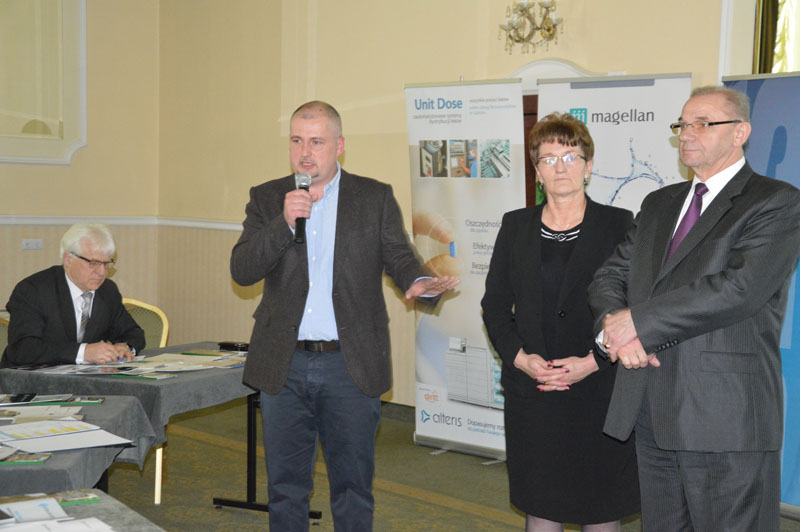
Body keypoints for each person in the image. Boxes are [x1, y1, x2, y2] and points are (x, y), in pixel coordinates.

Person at [229, 101, 459, 532]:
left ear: (339, 146)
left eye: (316, 142)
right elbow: (242, 270)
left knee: (353, 490)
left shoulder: (373, 197)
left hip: (349, 365)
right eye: (297, 140)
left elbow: (399, 255)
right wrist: (283, 222)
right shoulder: (267, 197)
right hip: (284, 364)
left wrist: (417, 281)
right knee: (285, 489)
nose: (305, 152)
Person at [589, 86, 800, 531]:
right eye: (682, 125)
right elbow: (610, 276)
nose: (687, 134)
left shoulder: (775, 201)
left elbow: (738, 289)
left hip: (724, 416)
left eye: (703, 124)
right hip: (651, 410)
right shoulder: (659, 203)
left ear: (740, 132)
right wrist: (615, 331)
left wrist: (637, 324)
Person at [481, 113, 639, 531]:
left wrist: (593, 361)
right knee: (541, 508)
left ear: (589, 166)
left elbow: (634, 308)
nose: (560, 167)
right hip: (534, 395)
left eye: (571, 157)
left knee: (601, 510)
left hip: (599, 391)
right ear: (537, 172)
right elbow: (494, 305)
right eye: (549, 159)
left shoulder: (619, 224)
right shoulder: (515, 225)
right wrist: (521, 359)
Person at [1, 223, 145, 368]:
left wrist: (124, 347)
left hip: (83, 378)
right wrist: (83, 352)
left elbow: (133, 333)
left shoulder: (107, 291)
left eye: (106, 263)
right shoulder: (33, 290)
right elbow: (23, 348)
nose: (102, 272)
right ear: (68, 259)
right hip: (29, 376)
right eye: (93, 263)